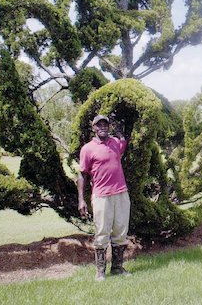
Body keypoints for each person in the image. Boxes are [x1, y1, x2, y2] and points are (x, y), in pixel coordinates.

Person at [78, 114, 131, 281]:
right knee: (102, 233)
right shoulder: (87, 149)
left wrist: (119, 127)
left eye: (105, 124)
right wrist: (81, 199)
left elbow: (124, 140)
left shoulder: (115, 142)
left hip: (121, 194)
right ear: (93, 128)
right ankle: (100, 271)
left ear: (109, 126)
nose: (102, 127)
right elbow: (82, 175)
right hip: (101, 196)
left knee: (120, 231)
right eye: (98, 125)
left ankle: (117, 268)